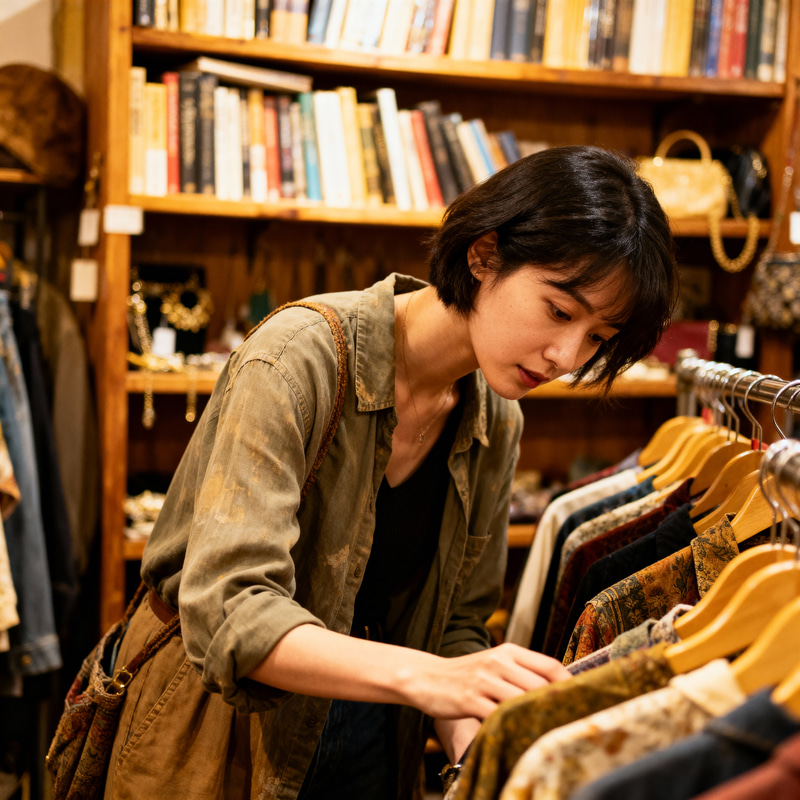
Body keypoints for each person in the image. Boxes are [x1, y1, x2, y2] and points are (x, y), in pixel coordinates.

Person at [102, 145, 678, 800]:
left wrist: (475, 748)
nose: (565, 356)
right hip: (218, 732)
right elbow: (232, 612)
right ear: (484, 255)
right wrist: (428, 678)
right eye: (560, 311)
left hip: (375, 735)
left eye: (598, 338)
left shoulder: (495, 418)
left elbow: (458, 626)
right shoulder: (297, 359)